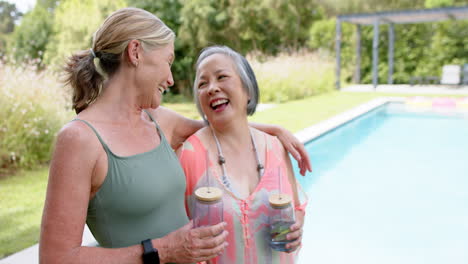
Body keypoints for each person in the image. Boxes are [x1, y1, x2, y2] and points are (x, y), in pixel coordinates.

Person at [39, 7, 311, 264]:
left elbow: (225, 127)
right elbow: (56, 258)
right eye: (167, 62)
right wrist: (165, 250)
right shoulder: (79, 140)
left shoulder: (158, 120)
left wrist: (276, 131)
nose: (170, 78)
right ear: (135, 52)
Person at [179, 46, 307, 264]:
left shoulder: (276, 147)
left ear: (247, 89)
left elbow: (296, 207)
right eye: (202, 83)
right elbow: (177, 237)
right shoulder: (188, 155)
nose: (212, 88)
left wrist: (296, 230)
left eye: (221, 77)